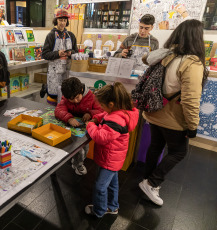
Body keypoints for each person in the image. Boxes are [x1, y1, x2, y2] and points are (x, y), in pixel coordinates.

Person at [139, 19, 208, 206]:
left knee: (156, 146)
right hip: (173, 118)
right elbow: (191, 100)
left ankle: (147, 180)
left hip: (154, 112)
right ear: (197, 38)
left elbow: (147, 60)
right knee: (178, 152)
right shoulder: (192, 63)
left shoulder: (167, 56)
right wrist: (192, 126)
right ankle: (152, 183)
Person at [84, 82, 139, 218]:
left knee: (100, 187)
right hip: (114, 158)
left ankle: (99, 210)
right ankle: (113, 207)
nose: (101, 108)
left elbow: (100, 136)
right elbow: (105, 115)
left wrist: (90, 125)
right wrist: (97, 117)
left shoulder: (116, 120)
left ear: (111, 104)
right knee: (113, 184)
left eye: (102, 105)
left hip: (109, 159)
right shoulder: (121, 112)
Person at [55, 77, 104, 175]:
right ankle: (76, 162)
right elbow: (58, 110)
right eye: (72, 100)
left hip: (85, 129)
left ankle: (79, 164)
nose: (76, 101)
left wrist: (90, 113)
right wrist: (69, 118)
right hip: (71, 127)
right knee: (72, 147)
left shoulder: (91, 96)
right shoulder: (66, 96)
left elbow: (101, 111)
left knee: (83, 149)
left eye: (77, 97)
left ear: (81, 90)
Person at [41, 9, 78, 105]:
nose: (62, 23)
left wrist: (71, 53)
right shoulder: (51, 36)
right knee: (53, 95)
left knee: (66, 95)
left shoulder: (71, 36)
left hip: (67, 72)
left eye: (65, 20)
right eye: (60, 20)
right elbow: (44, 54)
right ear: (56, 20)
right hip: (54, 73)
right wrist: (58, 54)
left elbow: (76, 51)